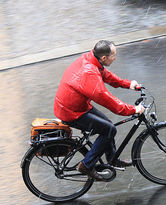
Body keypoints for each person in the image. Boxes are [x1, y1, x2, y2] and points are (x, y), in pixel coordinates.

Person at [54, 40, 145, 181]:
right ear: (104, 58)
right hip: (71, 113)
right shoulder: (89, 73)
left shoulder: (91, 59)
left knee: (107, 125)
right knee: (109, 130)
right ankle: (86, 165)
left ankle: (112, 159)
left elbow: (106, 75)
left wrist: (129, 84)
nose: (115, 58)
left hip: (77, 107)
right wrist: (133, 110)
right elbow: (107, 100)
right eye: (113, 55)